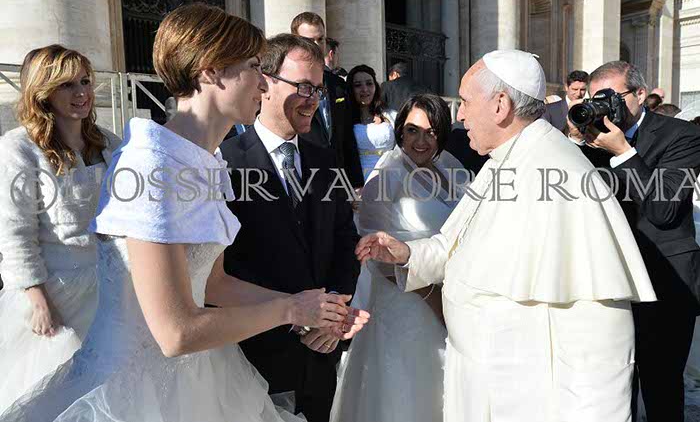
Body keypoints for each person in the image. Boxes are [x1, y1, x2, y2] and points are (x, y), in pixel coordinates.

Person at [0, 4, 367, 422]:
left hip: (204, 376)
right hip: (135, 394)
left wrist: (315, 308)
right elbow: (174, 333)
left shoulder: (207, 162)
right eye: (253, 67)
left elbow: (214, 284)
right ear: (210, 72)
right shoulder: (150, 165)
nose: (264, 84)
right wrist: (290, 311)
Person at [356, 49, 657, 422]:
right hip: (480, 388)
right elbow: (453, 244)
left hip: (523, 399)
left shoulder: (562, 175)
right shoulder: (499, 162)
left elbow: (600, 341)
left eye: (466, 102)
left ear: (500, 105)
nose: (460, 116)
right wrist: (407, 254)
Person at [220, 33, 363, 422]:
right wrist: (295, 318)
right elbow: (225, 264)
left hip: (321, 353)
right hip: (254, 356)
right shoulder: (225, 162)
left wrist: (332, 314)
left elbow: (345, 240)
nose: (313, 98)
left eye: (318, 89)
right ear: (264, 82)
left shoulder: (325, 160)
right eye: (302, 86)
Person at [567, 60, 700, 422]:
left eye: (612, 97)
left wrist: (623, 151)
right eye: (597, 99)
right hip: (610, 279)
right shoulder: (593, 139)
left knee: (660, 385)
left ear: (640, 94)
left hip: (665, 280)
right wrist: (576, 142)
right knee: (612, 384)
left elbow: (663, 210)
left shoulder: (681, 135)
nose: (604, 107)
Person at [0, 45, 121, 413]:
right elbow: (14, 232)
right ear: (43, 92)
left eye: (85, 81)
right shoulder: (18, 149)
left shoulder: (108, 143)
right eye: (67, 85)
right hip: (57, 295)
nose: (81, 92)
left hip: (111, 288)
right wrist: (36, 299)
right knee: (52, 399)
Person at [331, 94, 465, 422]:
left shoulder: (451, 167)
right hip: (406, 307)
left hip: (453, 302)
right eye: (412, 130)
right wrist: (433, 300)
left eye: (431, 132)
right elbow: (376, 255)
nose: (421, 141)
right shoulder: (385, 176)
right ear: (399, 130)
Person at [291, 12, 358, 183]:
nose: (316, 46)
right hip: (303, 179)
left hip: (338, 179)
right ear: (295, 42)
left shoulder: (338, 85)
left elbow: (347, 137)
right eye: (309, 41)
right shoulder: (286, 85)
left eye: (320, 39)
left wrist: (356, 181)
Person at [347, 64, 397, 185]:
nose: (365, 89)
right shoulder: (345, 119)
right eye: (358, 85)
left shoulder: (391, 115)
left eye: (369, 84)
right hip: (358, 181)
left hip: (391, 177)